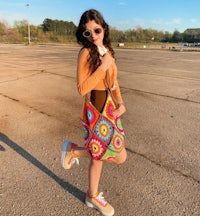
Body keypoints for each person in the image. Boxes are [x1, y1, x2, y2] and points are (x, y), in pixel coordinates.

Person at [61, 9, 127, 216]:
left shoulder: (108, 51)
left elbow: (113, 83)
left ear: (104, 28)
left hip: (109, 107)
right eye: (87, 33)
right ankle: (92, 195)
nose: (93, 36)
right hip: (95, 108)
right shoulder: (86, 53)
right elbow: (82, 88)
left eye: (96, 30)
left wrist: (121, 103)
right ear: (83, 35)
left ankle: (74, 152)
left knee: (119, 156)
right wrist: (102, 66)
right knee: (100, 155)